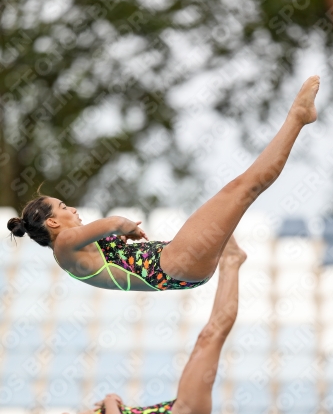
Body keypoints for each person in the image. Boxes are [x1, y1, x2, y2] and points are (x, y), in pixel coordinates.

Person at [8, 77, 319, 292]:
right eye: (63, 207)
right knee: (243, 188)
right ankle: (297, 118)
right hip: (176, 262)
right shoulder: (63, 243)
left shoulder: (69, 254)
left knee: (239, 190)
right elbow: (114, 222)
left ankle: (231, 257)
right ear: (51, 221)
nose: (72, 208)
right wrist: (126, 226)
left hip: (180, 266)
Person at [37, 236, 246, 414]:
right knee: (211, 337)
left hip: (181, 412)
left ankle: (230, 262)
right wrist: (108, 400)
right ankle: (231, 262)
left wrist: (107, 405)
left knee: (208, 338)